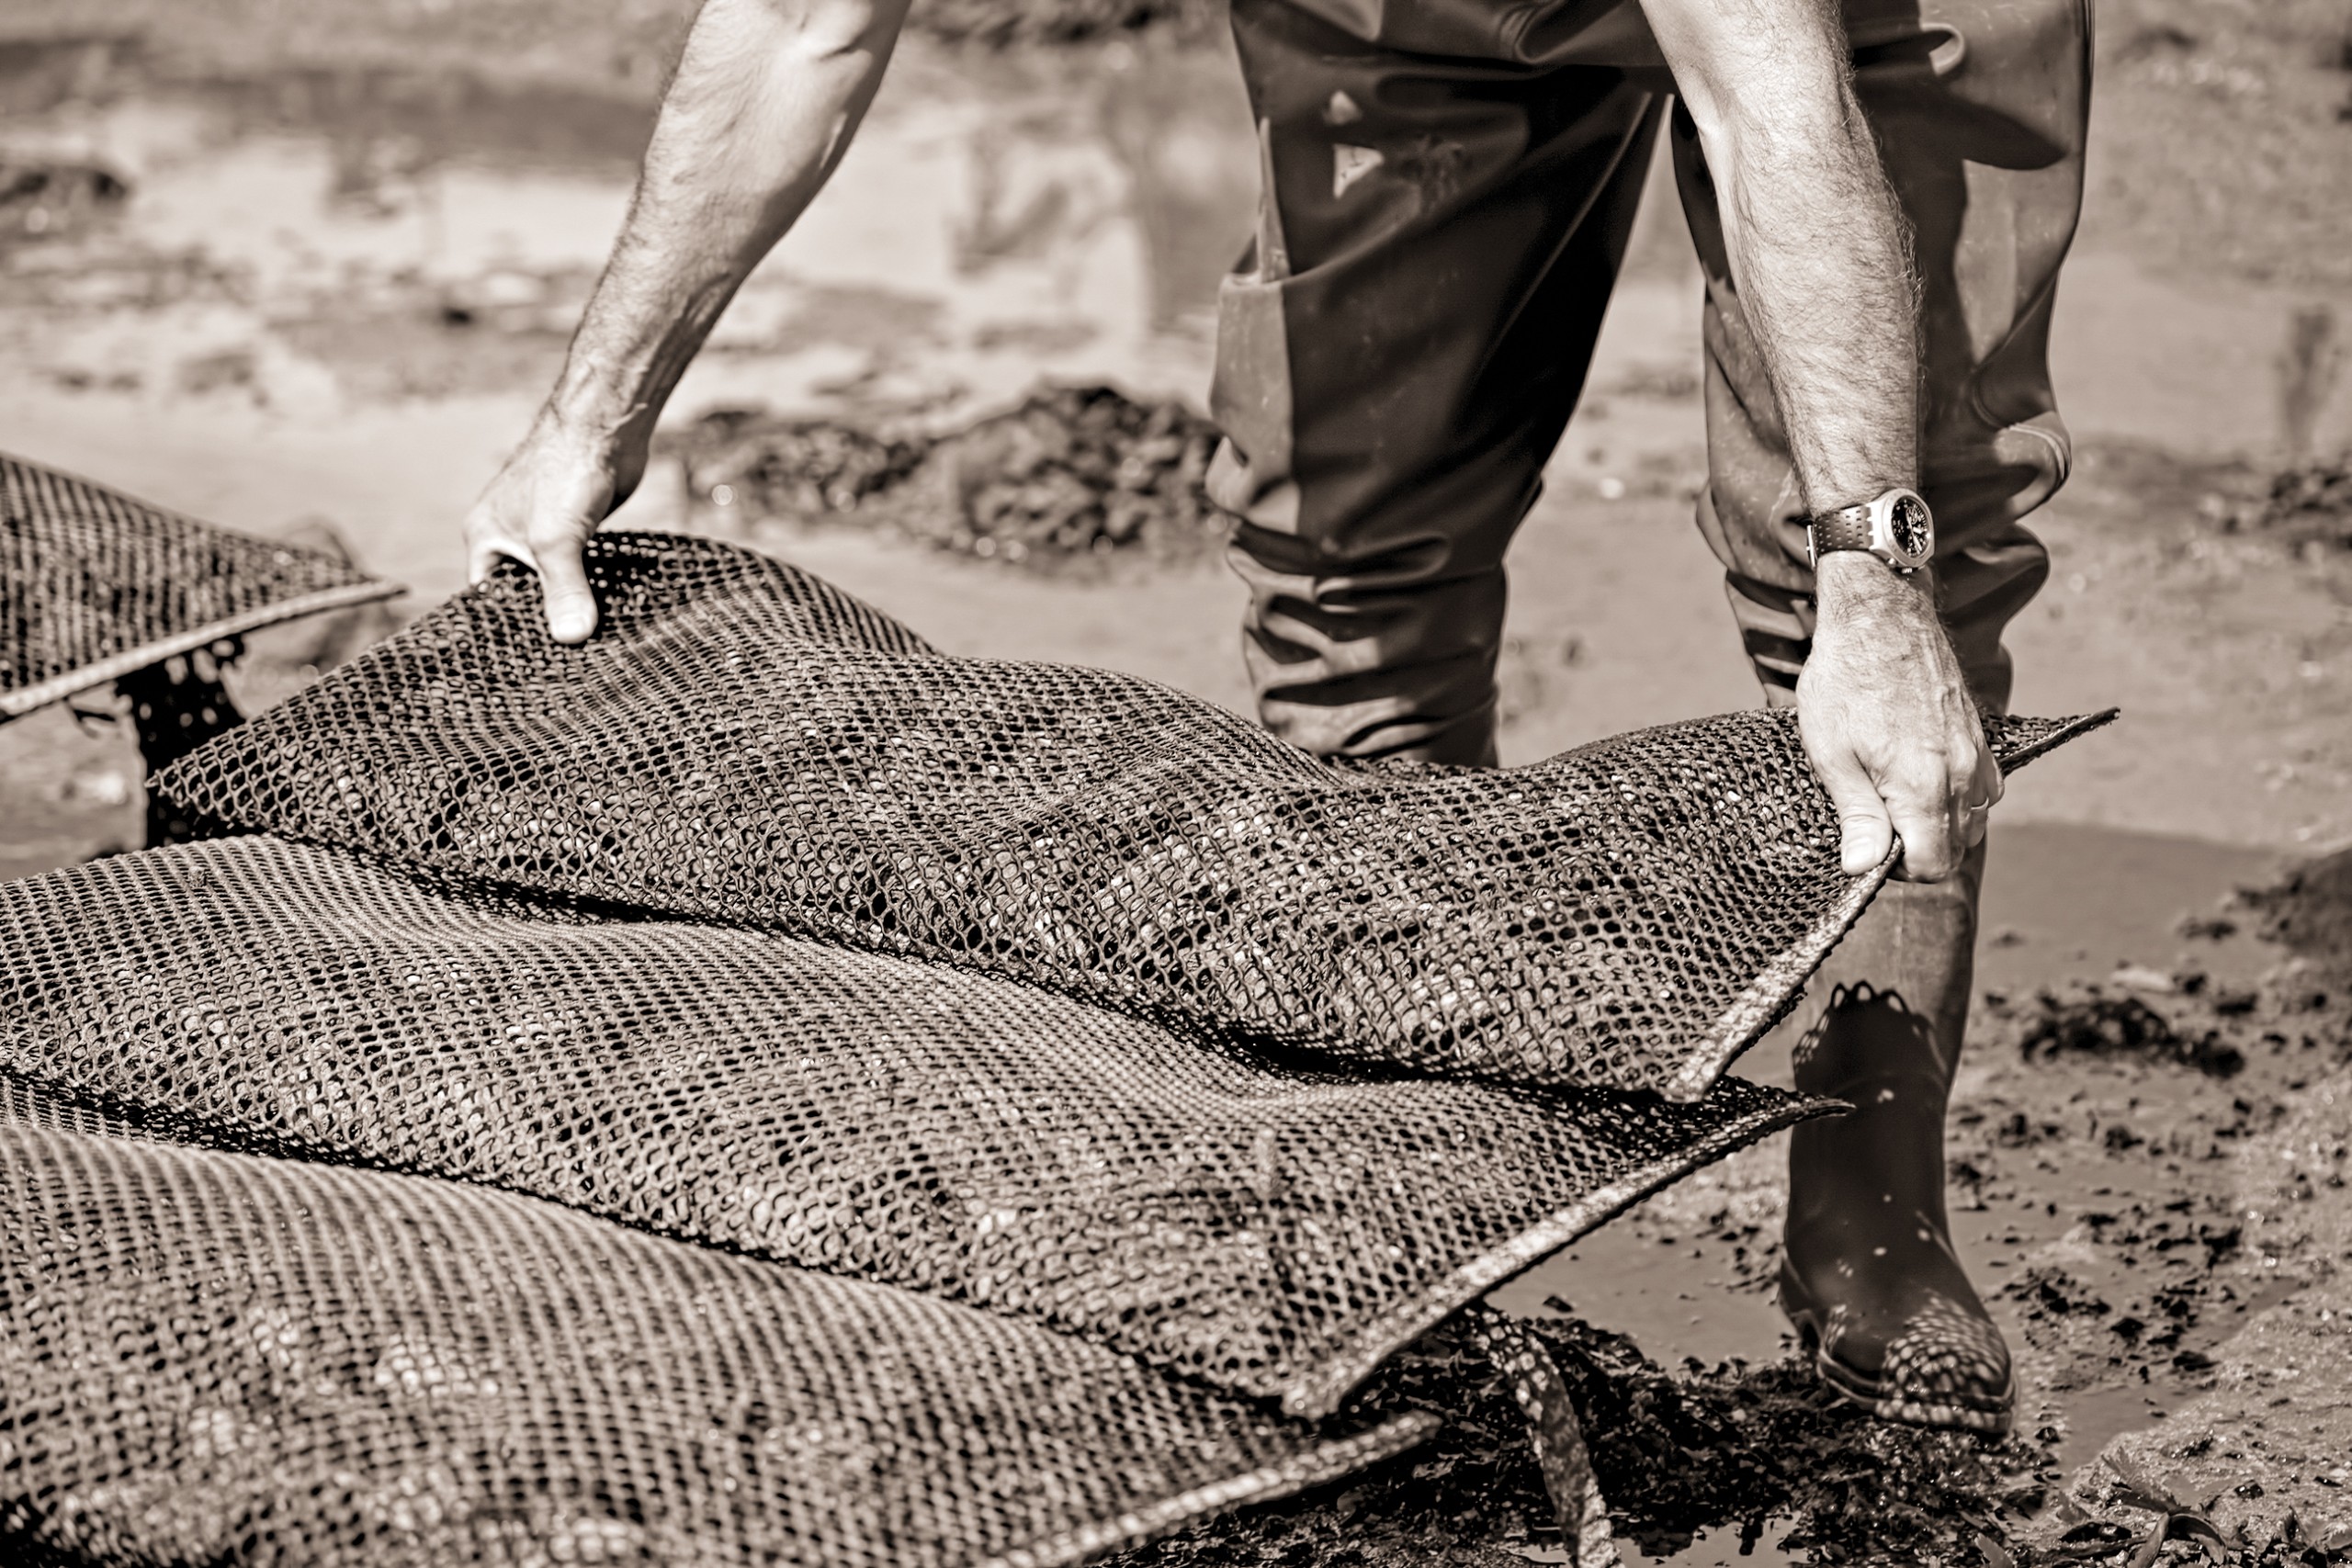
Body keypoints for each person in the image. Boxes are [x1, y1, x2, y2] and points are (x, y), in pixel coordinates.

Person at [463, 0, 2089, 1434]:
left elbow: (1773, 101)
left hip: (1859, 27)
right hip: (1400, 22)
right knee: (1345, 537)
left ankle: (1873, 1202)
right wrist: (588, 418)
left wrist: (1875, 574)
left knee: (1896, 551)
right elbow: (798, 30)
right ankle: (1412, 1156)